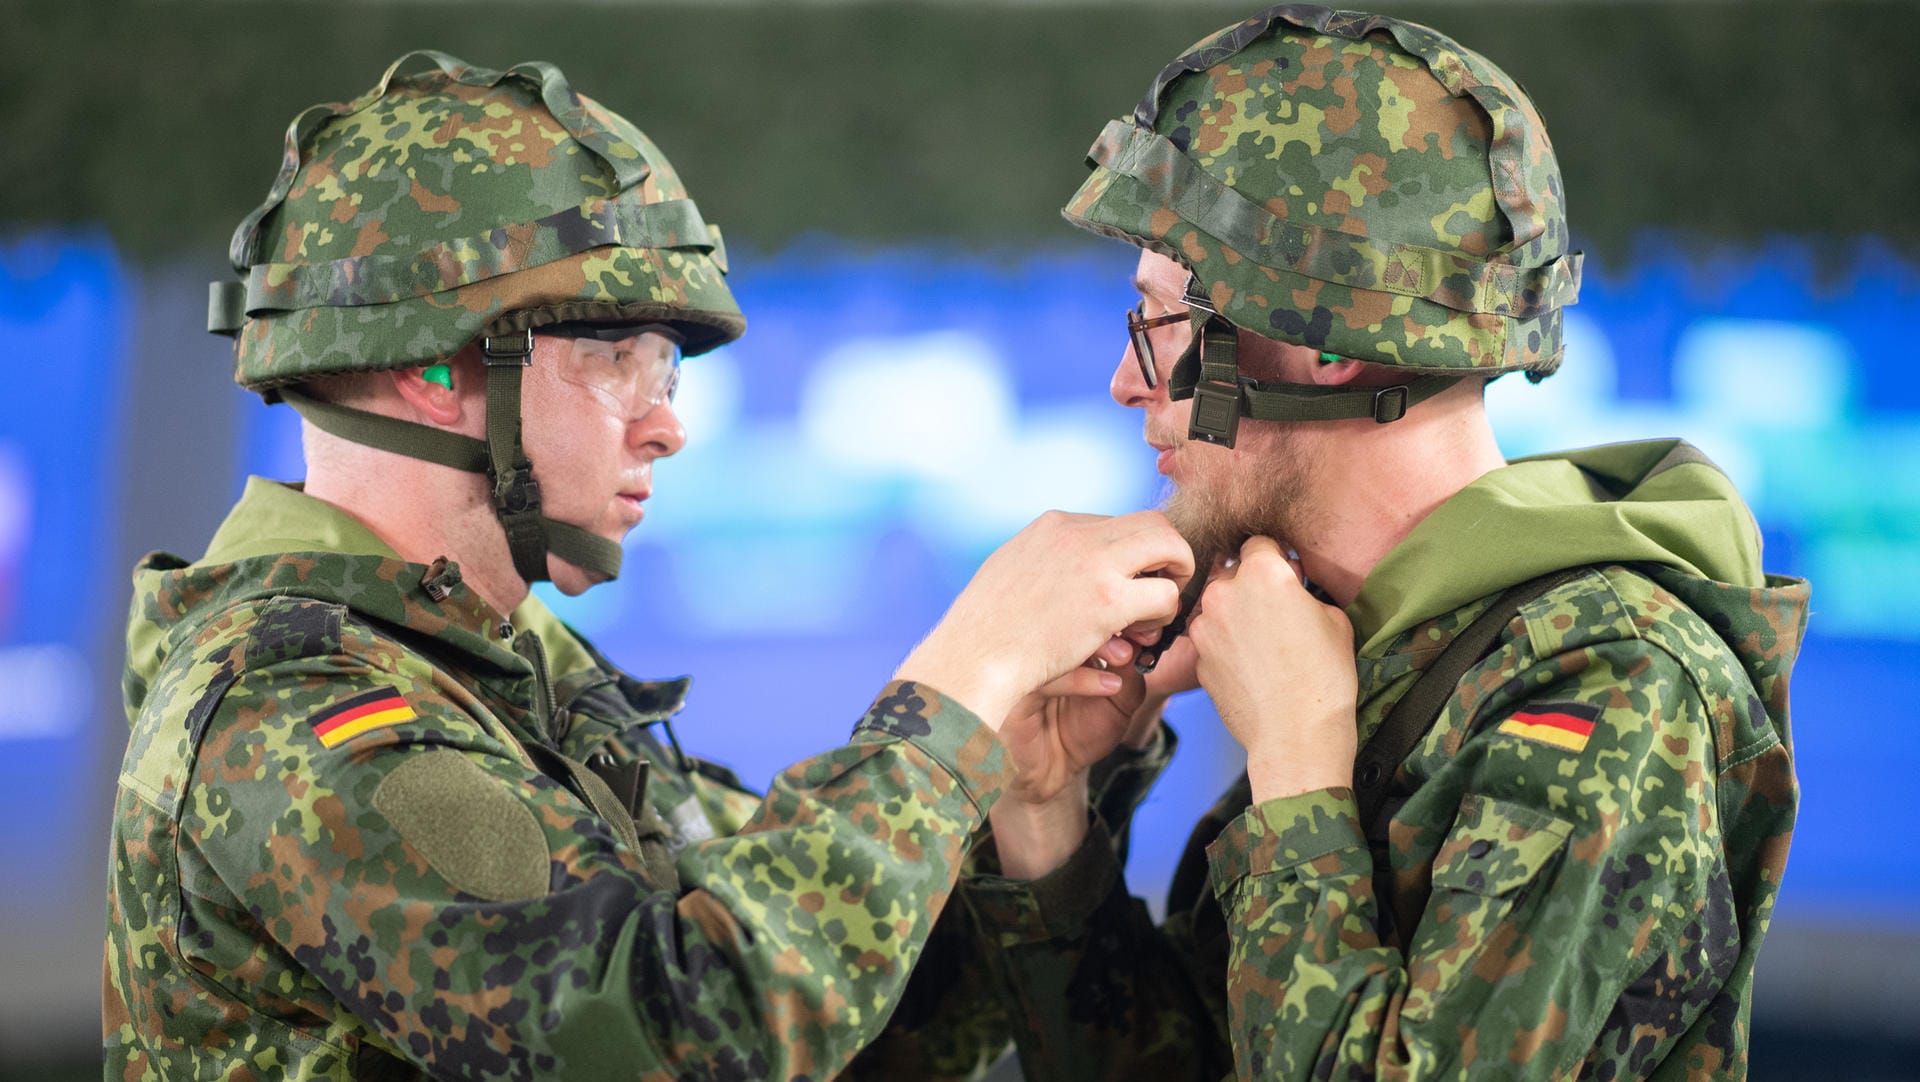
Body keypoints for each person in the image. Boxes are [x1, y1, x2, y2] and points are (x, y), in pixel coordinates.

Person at [103, 51, 1194, 1080]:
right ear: (435, 366)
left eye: (664, 369)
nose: (665, 425)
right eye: (613, 358)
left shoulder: (497, 666)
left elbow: (855, 1026)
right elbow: (687, 1031)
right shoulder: (296, 711)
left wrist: (1024, 783)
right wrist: (967, 675)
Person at [969, 5, 1809, 1079]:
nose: (1129, 381)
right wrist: (1046, 813)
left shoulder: (1611, 683)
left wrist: (1295, 777)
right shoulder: (1377, 650)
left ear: (1320, 343)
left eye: (1163, 322)